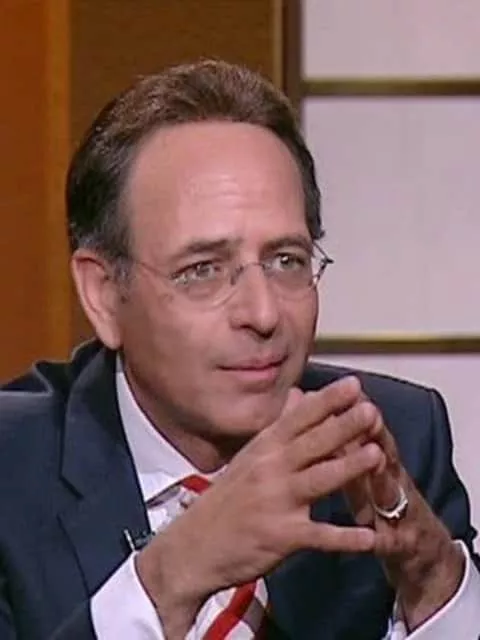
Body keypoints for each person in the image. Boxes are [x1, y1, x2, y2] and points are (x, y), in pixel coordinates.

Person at [0, 59, 478, 640]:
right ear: (103, 294)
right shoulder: (11, 468)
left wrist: (431, 575)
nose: (263, 313)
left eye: (287, 260)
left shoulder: (393, 438)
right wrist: (173, 575)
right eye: (203, 269)